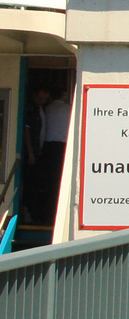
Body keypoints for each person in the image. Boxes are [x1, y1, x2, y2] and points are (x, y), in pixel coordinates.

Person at [23, 85, 68, 225]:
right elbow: (27, 130)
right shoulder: (67, 109)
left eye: (44, 97)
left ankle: (40, 215)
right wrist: (31, 154)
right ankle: (46, 216)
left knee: (45, 184)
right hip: (56, 148)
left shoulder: (45, 109)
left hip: (46, 149)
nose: (42, 99)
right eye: (40, 97)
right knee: (53, 184)